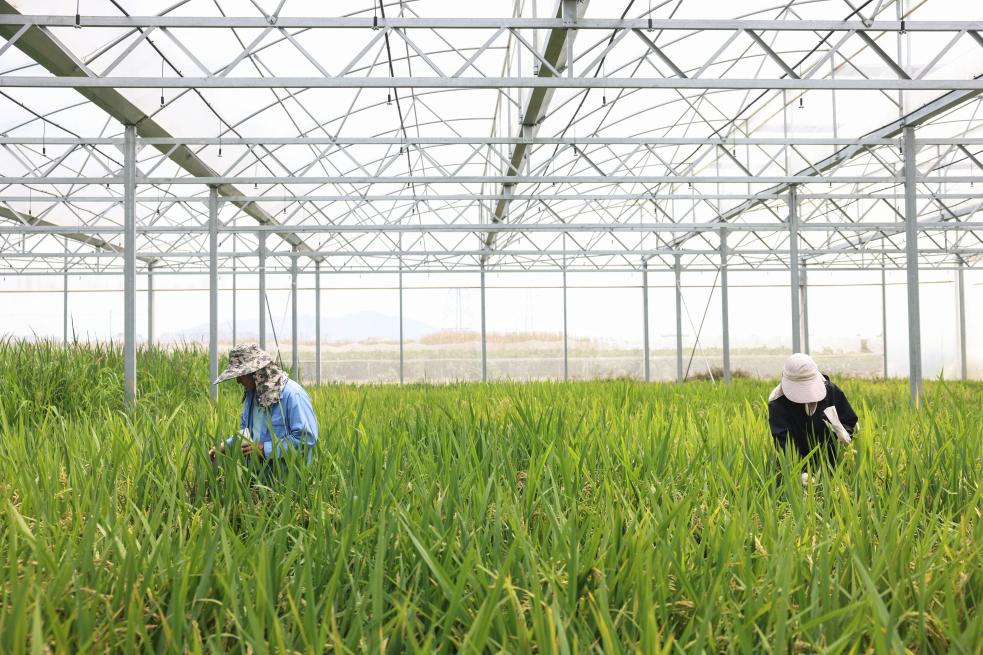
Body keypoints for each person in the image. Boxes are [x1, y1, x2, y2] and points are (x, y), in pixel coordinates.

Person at [208, 344, 318, 475]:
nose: (237, 380)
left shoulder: (292, 395)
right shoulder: (252, 394)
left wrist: (264, 449)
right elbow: (248, 432)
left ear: (256, 373)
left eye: (240, 375)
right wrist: (226, 446)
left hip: (288, 482)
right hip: (257, 477)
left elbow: (306, 438)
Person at [768, 353, 857, 482]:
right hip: (797, 461)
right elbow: (784, 442)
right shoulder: (778, 402)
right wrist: (800, 470)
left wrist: (845, 433)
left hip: (831, 459)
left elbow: (848, 419)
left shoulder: (830, 391)